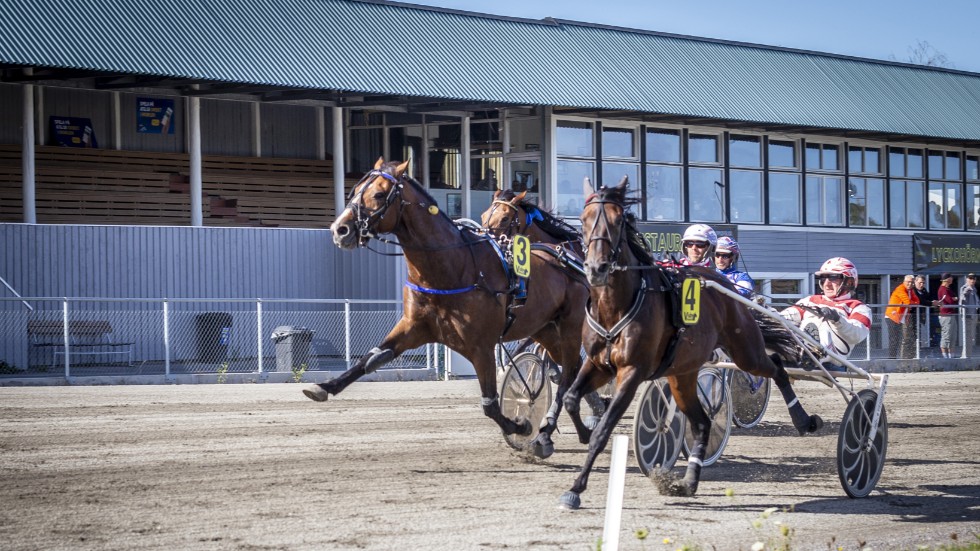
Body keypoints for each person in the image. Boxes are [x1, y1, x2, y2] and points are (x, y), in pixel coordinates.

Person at [780, 257, 871, 360]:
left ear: (849, 282)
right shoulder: (810, 300)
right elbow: (787, 316)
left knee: (822, 322)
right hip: (800, 348)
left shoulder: (858, 307)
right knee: (781, 322)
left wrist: (837, 319)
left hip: (834, 356)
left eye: (833, 278)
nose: (826, 283)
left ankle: (814, 353)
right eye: (823, 278)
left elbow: (857, 335)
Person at [884, 275, 919, 359]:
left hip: (900, 318)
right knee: (893, 339)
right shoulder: (900, 289)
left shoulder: (910, 291)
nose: (910, 284)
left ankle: (900, 357)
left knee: (901, 338)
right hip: (892, 317)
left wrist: (912, 303)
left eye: (911, 282)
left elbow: (917, 301)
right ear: (904, 282)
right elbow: (908, 302)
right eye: (908, 282)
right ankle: (891, 358)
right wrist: (911, 303)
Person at [934, 272, 958, 358]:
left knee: (953, 335)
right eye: (951, 277)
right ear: (947, 279)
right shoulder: (943, 289)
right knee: (946, 335)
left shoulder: (948, 289)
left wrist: (954, 299)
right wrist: (954, 299)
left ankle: (951, 355)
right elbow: (950, 301)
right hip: (946, 315)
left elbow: (955, 298)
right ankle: (944, 356)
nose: (952, 279)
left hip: (951, 314)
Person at [960, 273, 978, 356]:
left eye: (974, 278)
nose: (972, 280)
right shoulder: (964, 288)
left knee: (972, 337)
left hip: (973, 316)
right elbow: (962, 300)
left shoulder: (974, 289)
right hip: (967, 316)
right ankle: (966, 356)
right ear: (967, 279)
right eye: (970, 278)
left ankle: (968, 354)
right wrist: (966, 291)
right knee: (967, 337)